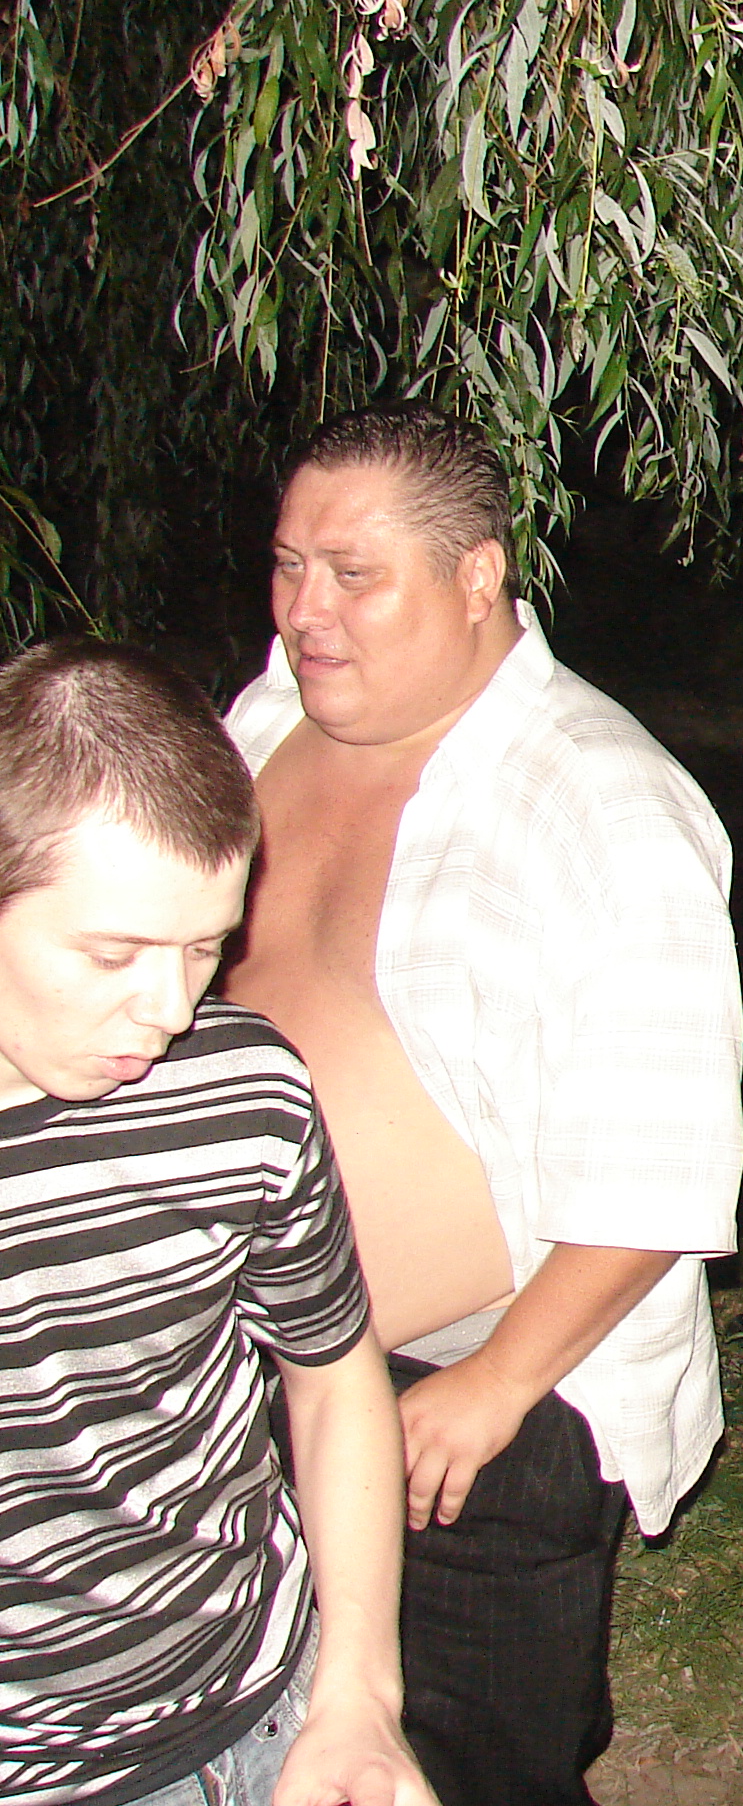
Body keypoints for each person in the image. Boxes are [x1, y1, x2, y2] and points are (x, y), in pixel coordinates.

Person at [224, 404, 743, 1806]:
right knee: (267, 1721)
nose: (307, 611)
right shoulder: (267, 719)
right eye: (289, 566)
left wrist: (496, 1385)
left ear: (477, 576)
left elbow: (662, 1172)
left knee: (468, 1762)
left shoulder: (604, 804)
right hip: (247, 1351)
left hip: (474, 1394)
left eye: (354, 574)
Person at [0, 637, 432, 1806]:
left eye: (205, 948)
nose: (170, 1011)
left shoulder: (245, 1092)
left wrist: (358, 1694)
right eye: (113, 954)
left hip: (267, 1692)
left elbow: (332, 1377)